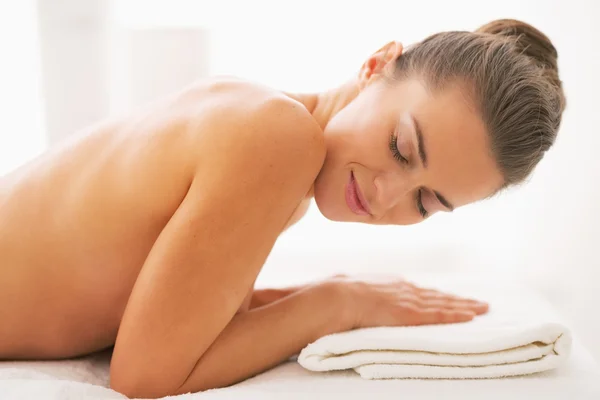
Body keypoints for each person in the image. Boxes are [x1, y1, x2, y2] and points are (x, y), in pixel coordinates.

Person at [0, 18, 565, 398]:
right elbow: (145, 376)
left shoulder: (266, 126)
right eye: (401, 147)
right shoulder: (277, 137)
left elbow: (182, 313)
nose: (386, 195)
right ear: (375, 65)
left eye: (425, 201)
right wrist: (340, 302)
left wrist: (319, 295)